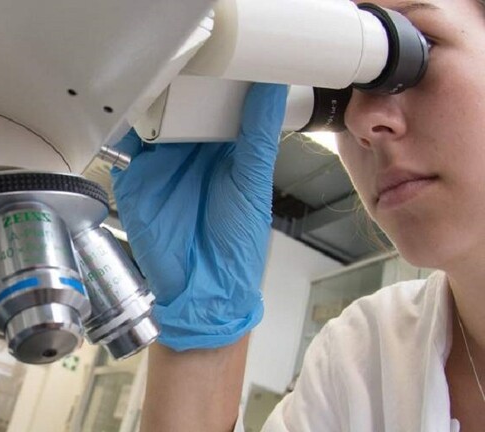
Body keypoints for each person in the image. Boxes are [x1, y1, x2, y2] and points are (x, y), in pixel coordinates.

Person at [112, 0, 485, 430]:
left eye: (413, 48)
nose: (359, 120)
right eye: (342, 89)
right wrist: (204, 335)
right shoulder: (362, 358)